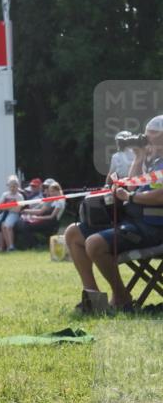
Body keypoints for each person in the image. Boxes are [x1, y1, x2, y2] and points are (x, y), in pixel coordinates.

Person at [66, 115, 163, 311]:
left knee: (94, 243)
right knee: (73, 233)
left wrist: (130, 197)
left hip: (154, 228)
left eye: (152, 133)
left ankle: (121, 297)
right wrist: (139, 157)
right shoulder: (154, 161)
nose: (146, 136)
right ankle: (93, 300)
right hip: (134, 220)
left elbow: (160, 196)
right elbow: (134, 184)